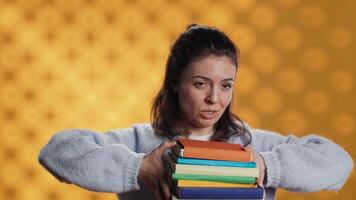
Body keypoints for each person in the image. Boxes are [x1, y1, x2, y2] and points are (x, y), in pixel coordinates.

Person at [38, 24, 353, 200]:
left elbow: (338, 162)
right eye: (201, 84)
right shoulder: (138, 142)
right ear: (176, 83)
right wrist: (135, 169)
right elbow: (57, 151)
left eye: (226, 85)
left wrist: (268, 168)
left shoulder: (255, 145)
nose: (215, 99)